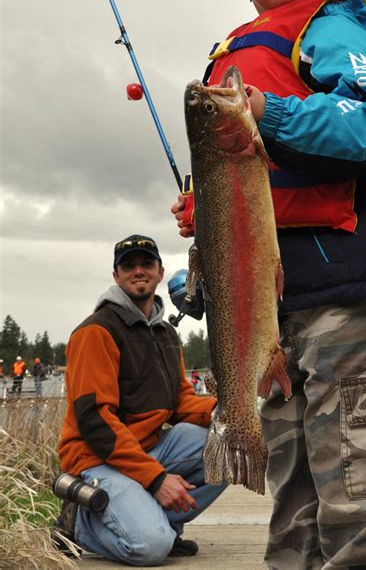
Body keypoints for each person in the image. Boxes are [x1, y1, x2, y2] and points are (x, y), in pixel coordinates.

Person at [172, 0, 366, 569]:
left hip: (349, 298)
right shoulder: (233, 60)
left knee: (360, 496)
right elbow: (239, 203)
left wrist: (268, 113)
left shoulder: (334, 27)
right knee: (296, 502)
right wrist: (200, 232)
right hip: (272, 316)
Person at [53, 235, 227, 565]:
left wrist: (228, 411)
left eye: (146, 263)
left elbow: (180, 402)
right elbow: (95, 422)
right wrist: (156, 478)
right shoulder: (96, 332)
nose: (138, 271)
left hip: (143, 449)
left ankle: (164, 523)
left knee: (230, 444)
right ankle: (77, 525)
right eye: (128, 265)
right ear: (116, 276)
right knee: (149, 547)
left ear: (160, 272)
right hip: (97, 458)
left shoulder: (165, 333)